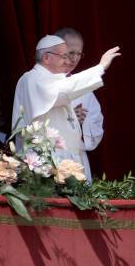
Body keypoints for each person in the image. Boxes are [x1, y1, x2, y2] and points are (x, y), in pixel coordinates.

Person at [13, 35, 120, 181]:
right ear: (46, 57)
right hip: (46, 163)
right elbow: (61, 91)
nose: (68, 61)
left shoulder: (57, 80)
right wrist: (100, 67)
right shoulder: (31, 78)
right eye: (64, 56)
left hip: (71, 159)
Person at [55, 27, 104, 181]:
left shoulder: (84, 87)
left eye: (78, 54)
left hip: (75, 159)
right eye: (71, 53)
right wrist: (67, 118)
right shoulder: (37, 81)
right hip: (49, 158)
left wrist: (82, 124)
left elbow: (95, 126)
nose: (75, 59)